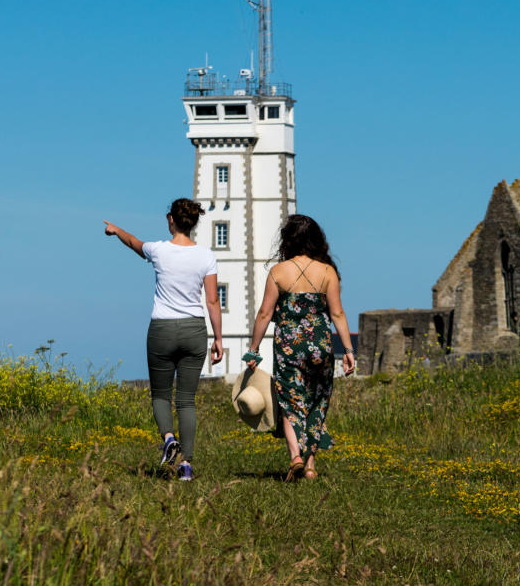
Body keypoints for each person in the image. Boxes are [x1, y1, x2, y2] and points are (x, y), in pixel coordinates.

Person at [104, 198, 222, 481]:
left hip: (162, 330)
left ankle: (169, 438)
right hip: (194, 330)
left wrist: (116, 229)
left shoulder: (158, 250)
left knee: (160, 395)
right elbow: (213, 300)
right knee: (186, 401)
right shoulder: (206, 256)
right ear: (194, 223)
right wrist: (218, 337)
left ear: (171, 219)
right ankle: (186, 466)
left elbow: (133, 242)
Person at [246, 214, 356, 480]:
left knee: (290, 402)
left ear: (288, 240)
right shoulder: (328, 272)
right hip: (320, 346)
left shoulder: (278, 272)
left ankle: (295, 456)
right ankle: (310, 466)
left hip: (289, 347)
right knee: (316, 403)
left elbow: (264, 313)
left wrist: (254, 348)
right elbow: (338, 314)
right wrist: (349, 351)